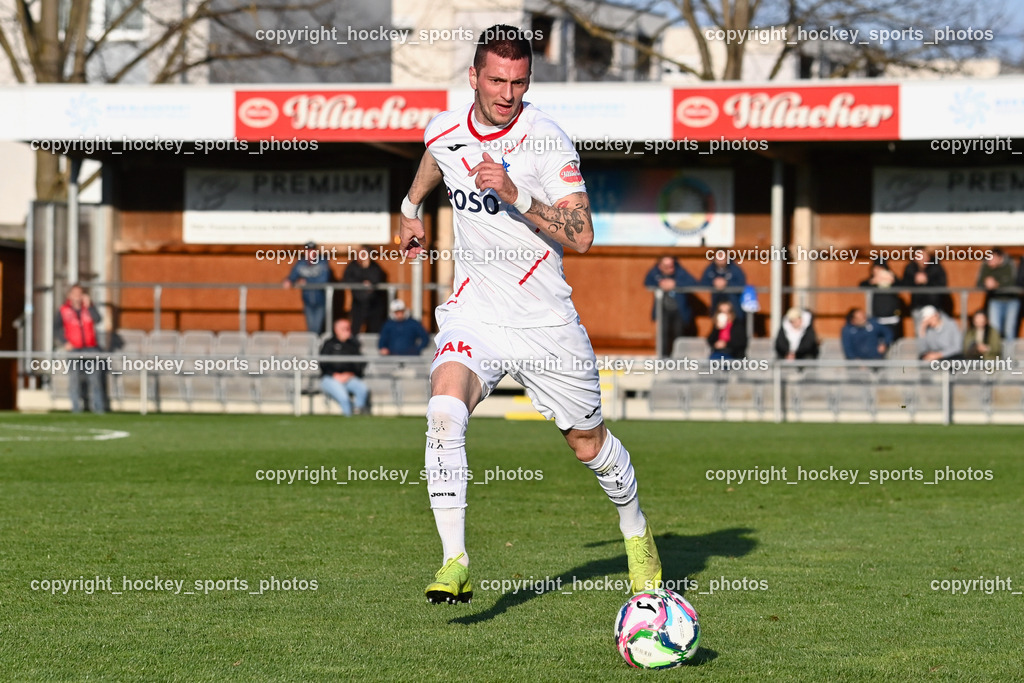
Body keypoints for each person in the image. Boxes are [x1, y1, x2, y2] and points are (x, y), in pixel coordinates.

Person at [398, 25, 662, 605]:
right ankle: (454, 560)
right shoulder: (445, 126)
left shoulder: (547, 142)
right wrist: (410, 206)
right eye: (496, 80)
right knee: (444, 411)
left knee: (589, 446)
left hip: (545, 324)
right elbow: (436, 156)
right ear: (473, 77)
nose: (507, 94)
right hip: (475, 312)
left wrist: (516, 195)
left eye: (519, 82)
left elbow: (584, 235)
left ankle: (637, 531)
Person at [55, 283, 106, 414]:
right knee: (74, 380)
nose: (78, 297)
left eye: (80, 294)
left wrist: (90, 306)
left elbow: (98, 319)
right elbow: (56, 329)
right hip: (74, 350)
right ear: (69, 295)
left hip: (91, 348)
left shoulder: (89, 308)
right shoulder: (63, 310)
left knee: (95, 380)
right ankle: (76, 409)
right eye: (75, 294)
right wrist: (64, 342)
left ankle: (98, 409)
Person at [643, 256, 696, 357]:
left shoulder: (680, 273)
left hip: (679, 310)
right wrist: (659, 283)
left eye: (671, 266)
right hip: (663, 309)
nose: (670, 269)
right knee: (663, 334)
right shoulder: (656, 273)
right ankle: (664, 357)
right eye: (666, 266)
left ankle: (679, 358)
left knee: (678, 334)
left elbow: (693, 283)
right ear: (660, 266)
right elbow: (647, 282)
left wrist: (675, 284)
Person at [319, 318, 369, 416]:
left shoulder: (354, 344)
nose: (347, 331)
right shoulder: (329, 344)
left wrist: (350, 374)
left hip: (349, 377)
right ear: (336, 330)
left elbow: (360, 363)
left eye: (348, 328)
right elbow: (322, 363)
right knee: (344, 398)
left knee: (362, 389)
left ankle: (358, 413)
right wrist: (333, 375)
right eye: (344, 329)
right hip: (331, 378)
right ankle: (349, 418)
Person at [282, 242, 332, 334]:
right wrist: (288, 280)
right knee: (311, 329)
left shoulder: (322, 262)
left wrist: (307, 282)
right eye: (308, 251)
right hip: (307, 300)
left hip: (320, 300)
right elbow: (293, 276)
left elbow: (323, 280)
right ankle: (312, 347)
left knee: (317, 328)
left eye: (312, 251)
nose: (310, 254)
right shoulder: (301, 263)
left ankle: (317, 347)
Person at [901, 247, 950, 329]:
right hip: (918, 307)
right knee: (920, 333)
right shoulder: (910, 268)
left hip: (935, 307)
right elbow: (904, 284)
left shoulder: (936, 267)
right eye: (919, 256)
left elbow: (942, 284)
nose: (923, 259)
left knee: (935, 333)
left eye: (924, 256)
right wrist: (915, 280)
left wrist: (927, 280)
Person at [976, 248, 1019, 341]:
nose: (990, 262)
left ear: (1000, 257)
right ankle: (997, 354)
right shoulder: (985, 264)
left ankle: (1009, 355)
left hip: (1011, 301)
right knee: (995, 330)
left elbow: (1015, 282)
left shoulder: (1010, 264)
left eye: (992, 259)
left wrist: (997, 284)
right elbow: (978, 283)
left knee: (1009, 330)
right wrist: (986, 283)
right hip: (995, 301)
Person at [342, 249, 388, 335]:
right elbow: (347, 278)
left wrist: (367, 267)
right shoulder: (352, 266)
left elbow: (377, 278)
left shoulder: (374, 266)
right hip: (358, 302)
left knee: (374, 327)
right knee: (356, 327)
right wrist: (361, 283)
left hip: (373, 302)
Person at [859, 259, 904, 341]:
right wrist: (873, 281)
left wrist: (892, 279)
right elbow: (861, 285)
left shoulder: (893, 281)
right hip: (876, 317)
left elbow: (903, 285)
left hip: (892, 317)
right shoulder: (872, 282)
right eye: (876, 269)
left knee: (893, 340)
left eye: (881, 269)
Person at [700, 252, 747, 323]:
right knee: (718, 326)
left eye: (723, 258)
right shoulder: (710, 269)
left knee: (735, 326)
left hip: (733, 303)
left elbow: (741, 283)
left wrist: (727, 283)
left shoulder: (734, 269)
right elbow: (702, 283)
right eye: (718, 258)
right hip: (716, 302)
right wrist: (713, 282)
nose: (721, 260)